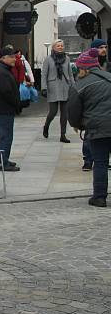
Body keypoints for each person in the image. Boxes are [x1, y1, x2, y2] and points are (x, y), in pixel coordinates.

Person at [68, 48, 111, 207]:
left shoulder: (80, 85)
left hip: (97, 128)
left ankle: (99, 198)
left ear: (83, 68)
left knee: (100, 162)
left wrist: (77, 125)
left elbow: (72, 111)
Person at [0, 46, 22, 172]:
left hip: (5, 109)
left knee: (6, 135)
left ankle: (4, 159)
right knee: (5, 136)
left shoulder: (4, 70)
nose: (15, 59)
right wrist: (16, 104)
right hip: (3, 109)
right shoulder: (1, 72)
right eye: (12, 57)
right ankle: (3, 162)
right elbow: (7, 92)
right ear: (5, 58)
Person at [82, 40, 108, 170]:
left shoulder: (107, 64)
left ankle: (104, 158)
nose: (103, 49)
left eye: (105, 47)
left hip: (106, 103)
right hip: (92, 103)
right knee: (89, 134)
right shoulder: (87, 63)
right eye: (100, 47)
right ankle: (88, 159)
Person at [41, 39, 74, 143]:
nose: (60, 47)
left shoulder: (67, 58)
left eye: (61, 45)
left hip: (65, 86)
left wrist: (73, 86)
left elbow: (70, 73)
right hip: (53, 87)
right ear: (54, 47)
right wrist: (44, 88)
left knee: (65, 113)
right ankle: (46, 126)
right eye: (58, 46)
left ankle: (63, 135)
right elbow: (44, 74)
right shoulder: (48, 59)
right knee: (53, 112)